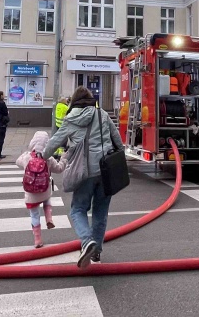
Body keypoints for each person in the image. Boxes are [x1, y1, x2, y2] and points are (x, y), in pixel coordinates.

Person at [43, 86, 123, 268]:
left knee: (78, 209)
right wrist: (119, 154)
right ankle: (97, 253)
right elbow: (117, 138)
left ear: (74, 101)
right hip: (105, 170)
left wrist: (42, 156)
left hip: (84, 172)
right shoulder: (101, 113)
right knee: (100, 212)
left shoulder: (70, 119)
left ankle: (87, 242)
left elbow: (55, 141)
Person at [15, 130, 66, 248]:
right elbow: (59, 169)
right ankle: (49, 218)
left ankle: (37, 240)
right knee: (47, 199)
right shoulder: (48, 158)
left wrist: (25, 155)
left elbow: (17, 162)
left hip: (31, 194)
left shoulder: (27, 157)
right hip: (44, 190)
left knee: (34, 215)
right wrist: (64, 158)